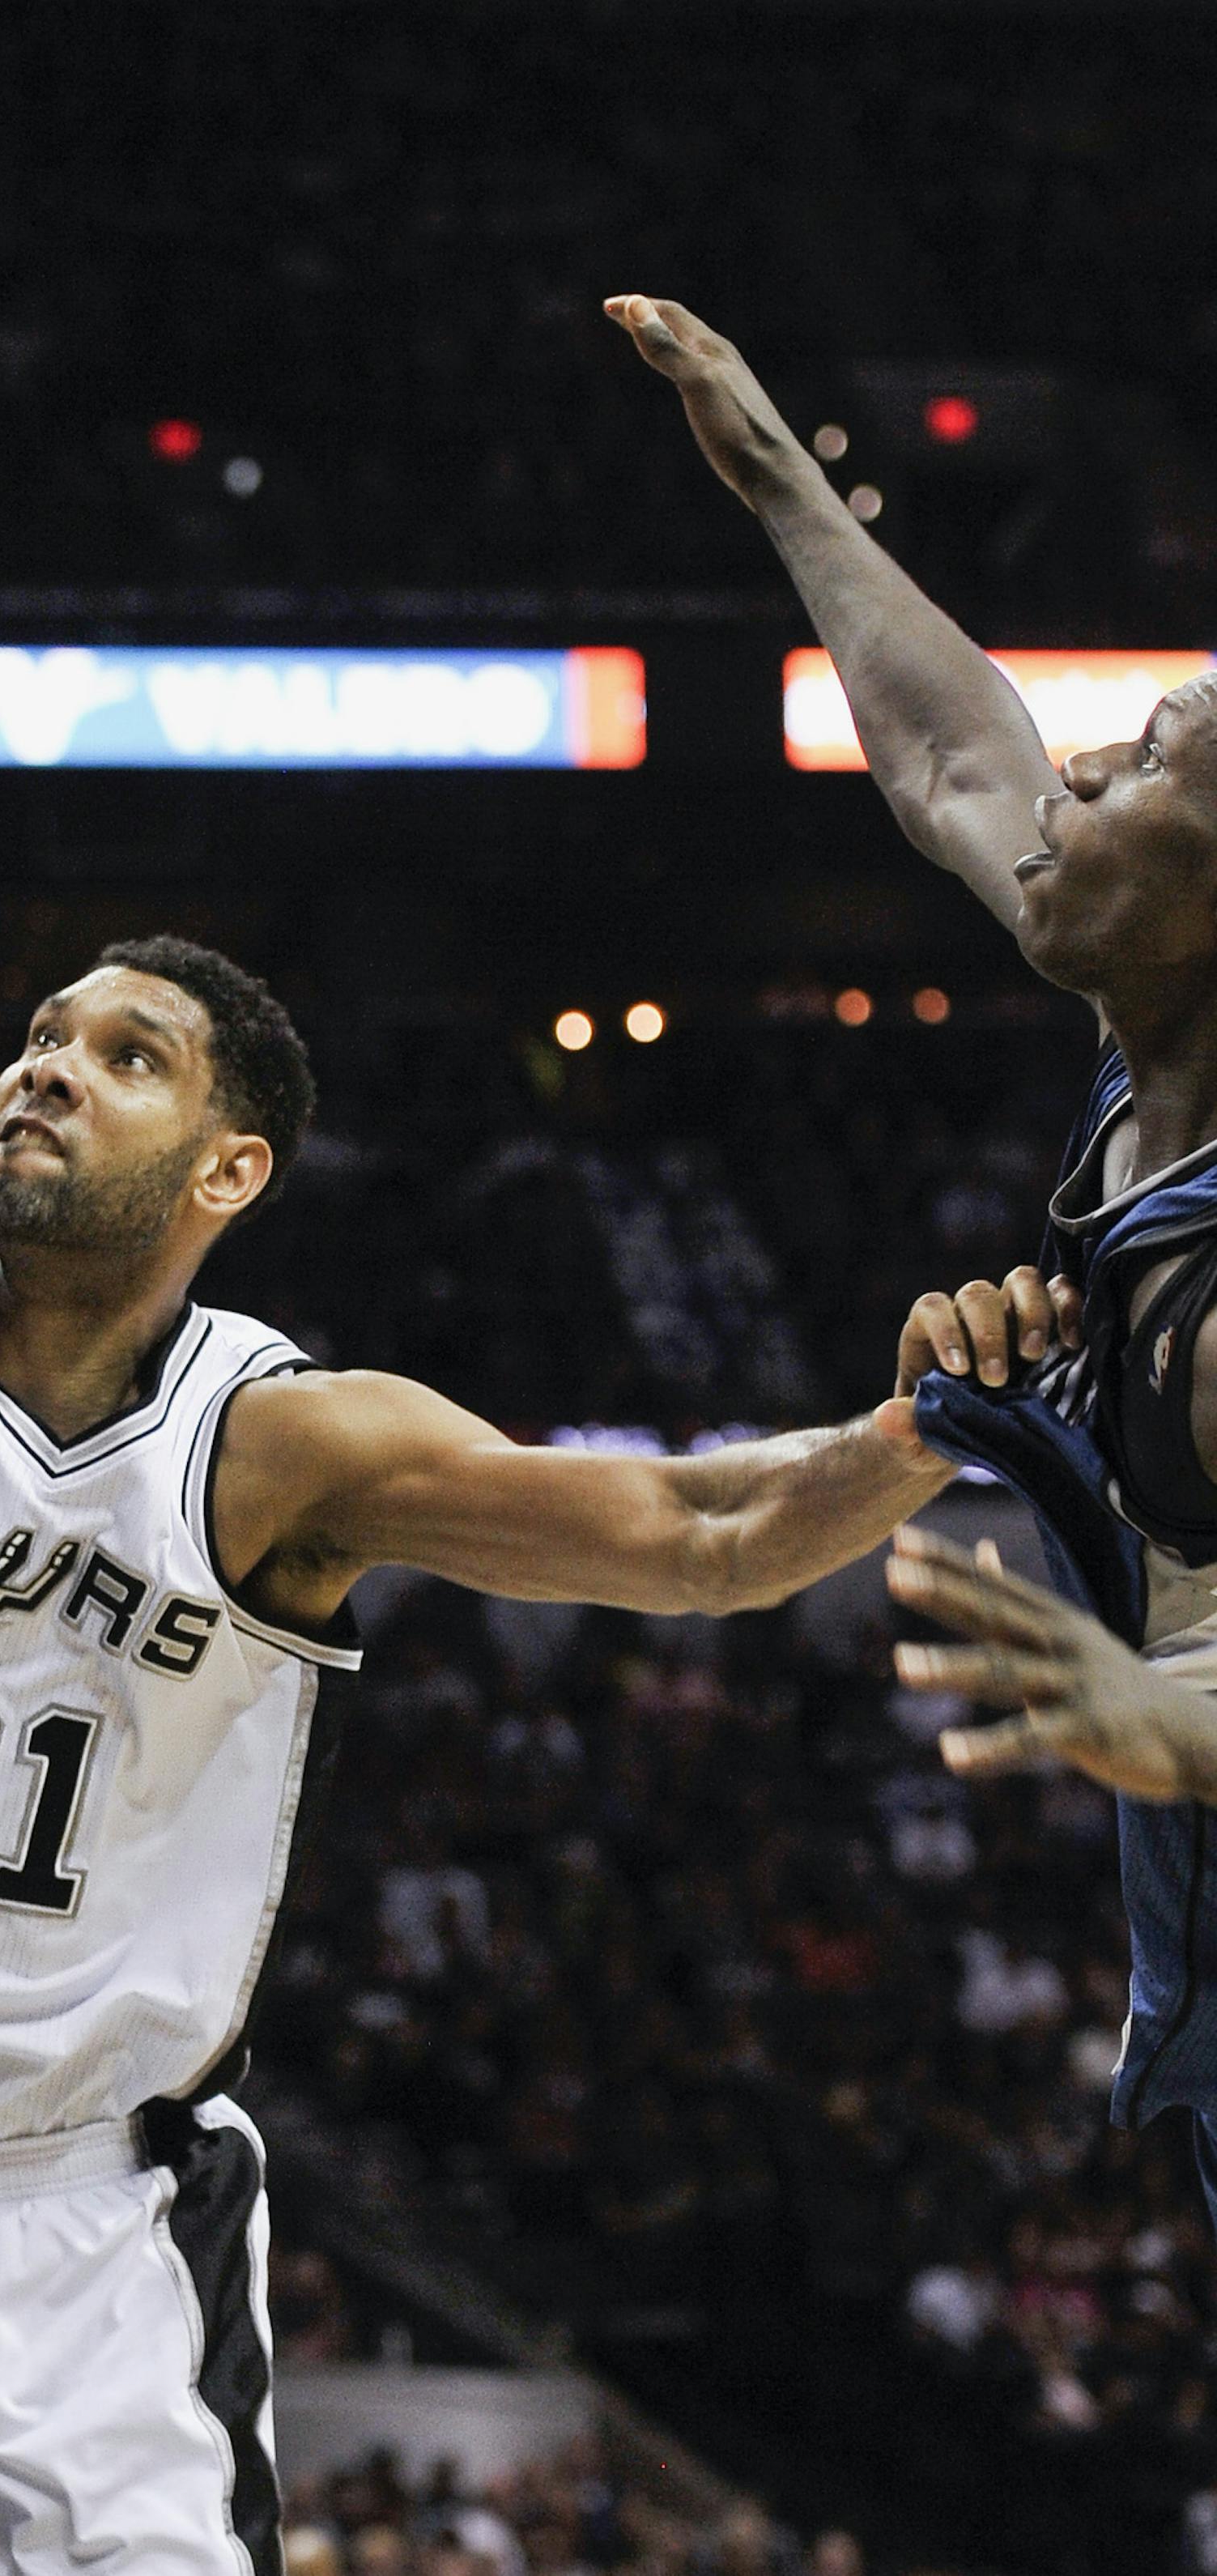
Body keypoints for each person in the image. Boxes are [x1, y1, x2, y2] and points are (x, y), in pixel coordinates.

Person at [0, 83, 967, 2576]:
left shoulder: (282, 1448)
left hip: (65, 2253)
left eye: (125, 1051)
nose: (44, 1056)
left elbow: (686, 1532)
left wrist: (924, 1424)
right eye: (41, 1024)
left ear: (230, 1170)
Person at [609, 291, 1217, 2208]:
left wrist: (1170, 1716)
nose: (1076, 781)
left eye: (1139, 769)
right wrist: (785, 483)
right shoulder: (1143, 1100)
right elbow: (955, 761)